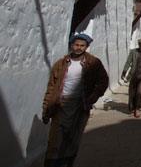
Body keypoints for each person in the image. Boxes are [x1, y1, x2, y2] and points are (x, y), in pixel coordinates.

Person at [42, 33, 109, 167]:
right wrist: (46, 108)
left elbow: (103, 81)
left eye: (82, 46)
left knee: (73, 138)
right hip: (60, 105)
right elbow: (51, 87)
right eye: (76, 45)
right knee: (55, 139)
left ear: (86, 47)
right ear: (72, 45)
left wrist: (93, 97)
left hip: (80, 106)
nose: (78, 48)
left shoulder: (93, 63)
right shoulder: (60, 64)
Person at [121, 37, 141, 118]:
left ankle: (137, 109)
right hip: (134, 75)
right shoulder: (133, 52)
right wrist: (124, 71)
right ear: (139, 44)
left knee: (140, 93)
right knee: (132, 93)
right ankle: (132, 108)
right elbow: (128, 62)